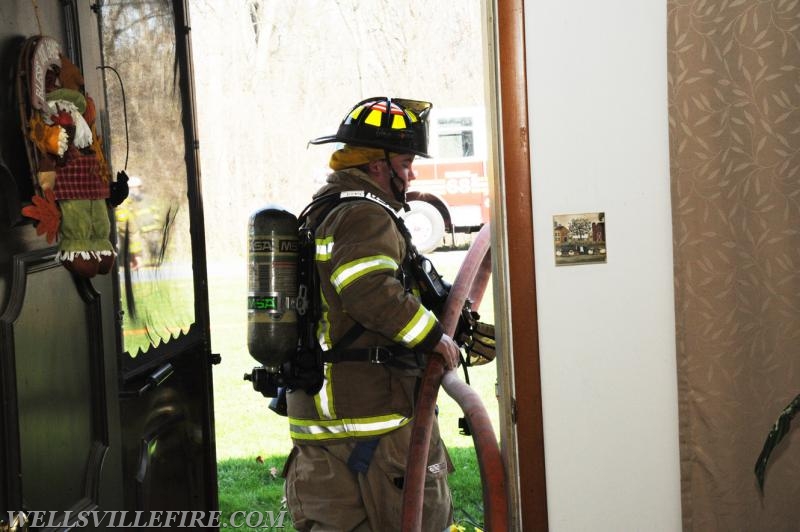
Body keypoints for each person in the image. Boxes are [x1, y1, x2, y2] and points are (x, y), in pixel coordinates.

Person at [283, 97, 461, 531]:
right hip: (376, 422)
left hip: (318, 420)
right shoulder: (365, 215)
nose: (412, 173)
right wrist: (433, 338)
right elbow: (368, 291)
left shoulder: (322, 212)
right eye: (406, 161)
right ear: (377, 166)